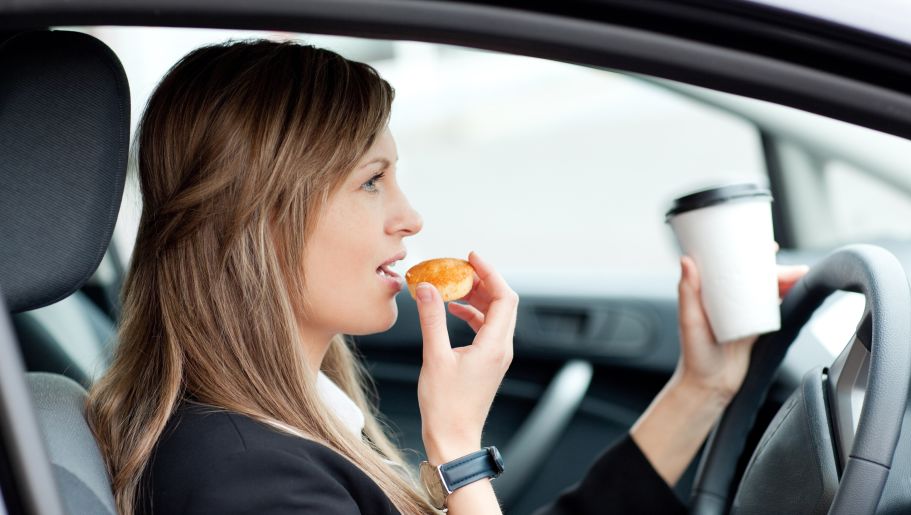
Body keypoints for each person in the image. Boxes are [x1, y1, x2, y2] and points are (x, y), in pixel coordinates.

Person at [86, 39, 807, 515]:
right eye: (373, 181)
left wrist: (702, 387)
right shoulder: (245, 481)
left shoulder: (279, 423)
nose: (411, 217)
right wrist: (457, 444)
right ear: (262, 218)